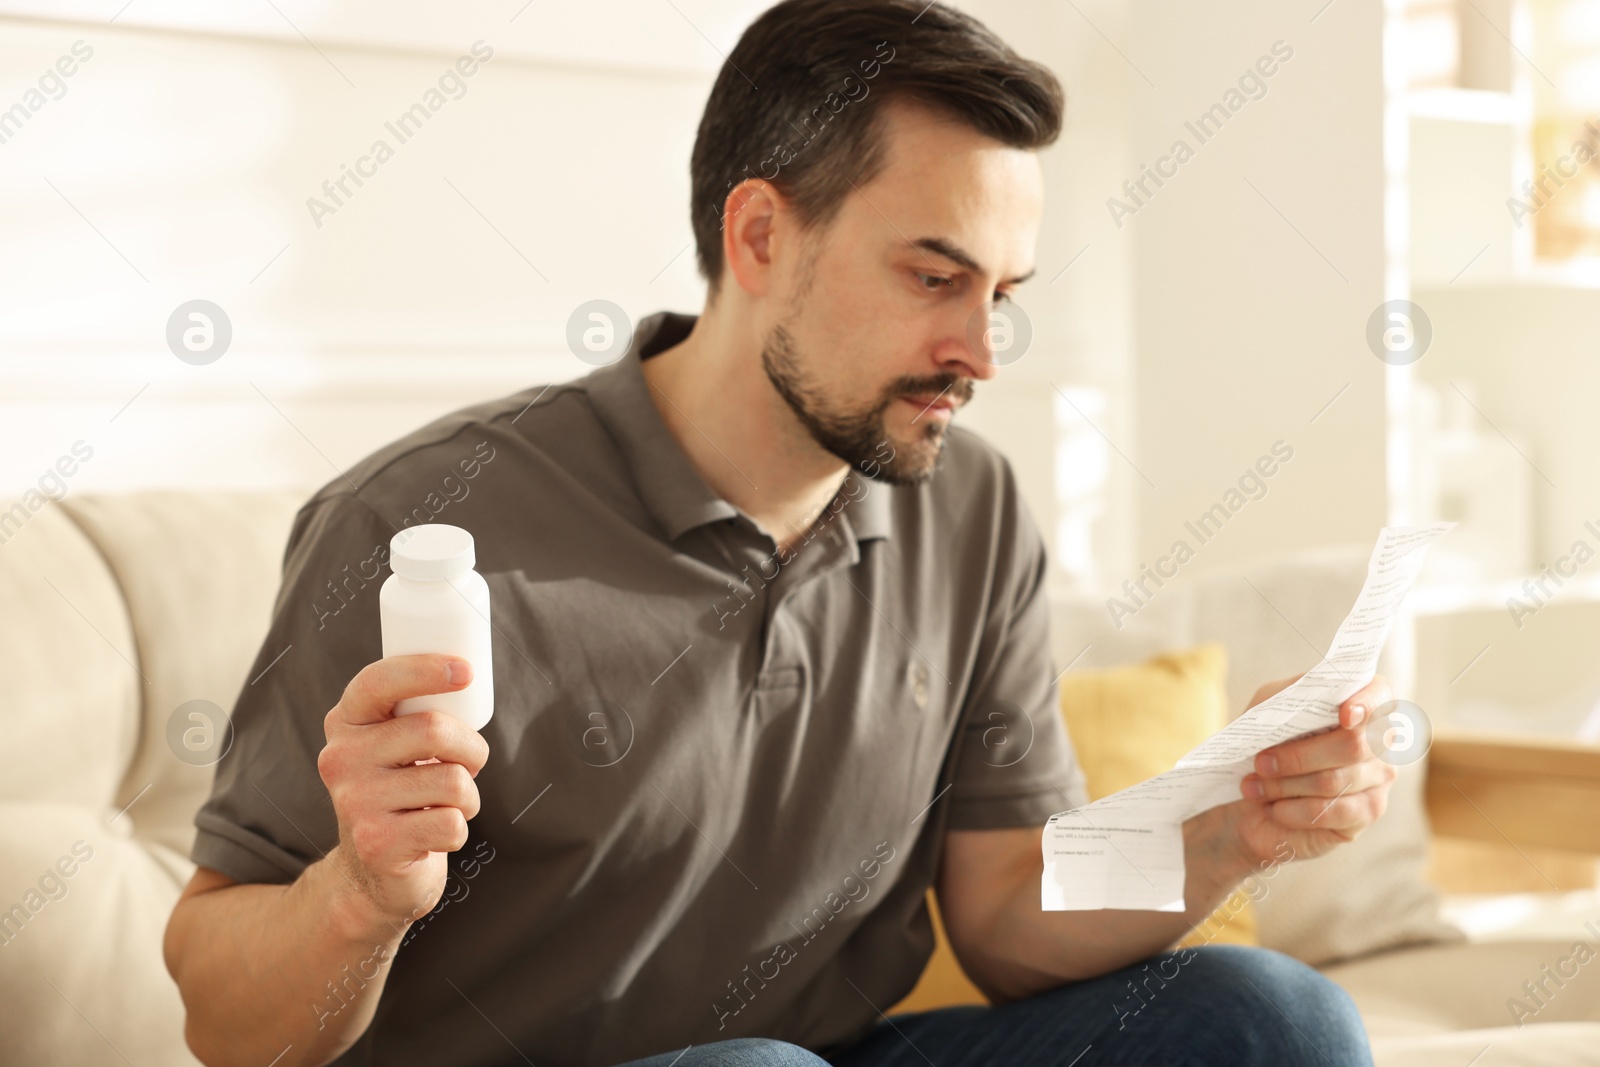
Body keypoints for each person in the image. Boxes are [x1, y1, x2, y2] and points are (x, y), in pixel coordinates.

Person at [163, 2, 1391, 1064]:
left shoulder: (972, 511)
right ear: (758, 236)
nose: (981, 349)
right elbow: (227, 1025)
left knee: (1269, 1018)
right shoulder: (420, 520)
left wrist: (1235, 829)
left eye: (1001, 294)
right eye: (932, 276)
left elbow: (1006, 911)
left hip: (821, 1055)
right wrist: (358, 897)